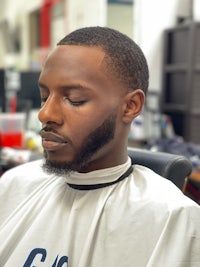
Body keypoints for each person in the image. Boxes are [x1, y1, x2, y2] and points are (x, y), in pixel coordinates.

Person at [0, 26, 199, 267]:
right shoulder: (14, 185)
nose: (45, 114)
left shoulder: (172, 218)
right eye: (44, 97)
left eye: (75, 100)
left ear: (130, 106)